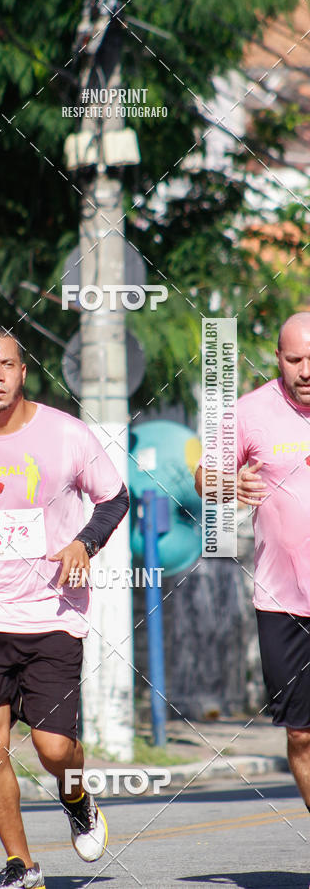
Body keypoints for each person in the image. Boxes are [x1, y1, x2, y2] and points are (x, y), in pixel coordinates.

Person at [0, 327, 130, 889]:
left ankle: (77, 797)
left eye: (6, 365)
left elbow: (115, 498)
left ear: (22, 372)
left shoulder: (66, 435)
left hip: (53, 612)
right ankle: (22, 864)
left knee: (53, 746)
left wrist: (84, 543)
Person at [194, 312, 310, 831]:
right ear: (277, 359)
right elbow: (202, 477)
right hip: (282, 600)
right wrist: (227, 484)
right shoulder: (248, 413)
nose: (305, 370)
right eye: (294, 359)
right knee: (302, 735)